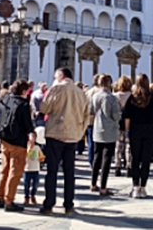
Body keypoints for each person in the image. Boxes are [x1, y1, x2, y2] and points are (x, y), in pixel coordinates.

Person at [39, 67, 89, 216]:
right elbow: (87, 116)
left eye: (55, 76)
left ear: (61, 76)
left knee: (52, 171)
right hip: (73, 135)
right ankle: (69, 205)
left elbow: (45, 108)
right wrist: (79, 133)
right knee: (69, 172)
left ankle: (49, 205)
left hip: (56, 133)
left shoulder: (57, 88)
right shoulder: (81, 93)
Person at [0, 79, 34, 212]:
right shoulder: (23, 104)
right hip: (18, 141)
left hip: (5, 139)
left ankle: (0, 197)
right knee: (15, 171)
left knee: (4, 169)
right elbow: (27, 124)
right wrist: (32, 136)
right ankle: (9, 200)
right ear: (24, 91)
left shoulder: (6, 100)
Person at [123, 74, 153, 199]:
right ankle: (143, 187)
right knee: (146, 159)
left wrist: (127, 131)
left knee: (135, 158)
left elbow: (127, 117)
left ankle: (135, 187)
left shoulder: (132, 98)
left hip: (135, 130)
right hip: (149, 130)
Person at [90, 74, 121, 195]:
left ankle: (93, 183)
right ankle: (103, 187)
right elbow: (115, 116)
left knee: (97, 157)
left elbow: (91, 112)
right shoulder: (111, 98)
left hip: (97, 129)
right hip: (109, 131)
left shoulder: (95, 96)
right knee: (107, 159)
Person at [113, 75, 133, 177]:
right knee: (128, 146)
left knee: (118, 146)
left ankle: (117, 166)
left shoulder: (115, 96)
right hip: (130, 123)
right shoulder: (132, 96)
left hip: (118, 123)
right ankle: (129, 166)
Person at [85, 75, 102, 167]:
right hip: (100, 121)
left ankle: (91, 160)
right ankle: (98, 160)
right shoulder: (101, 92)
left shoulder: (88, 92)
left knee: (90, 141)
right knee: (99, 142)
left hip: (89, 120)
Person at [23, 132, 45, 205]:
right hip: (27, 169)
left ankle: (33, 195)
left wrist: (41, 159)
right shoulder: (25, 147)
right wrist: (29, 149)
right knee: (26, 185)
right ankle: (26, 197)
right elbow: (25, 156)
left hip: (35, 169)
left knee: (35, 184)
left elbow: (41, 156)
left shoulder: (37, 148)